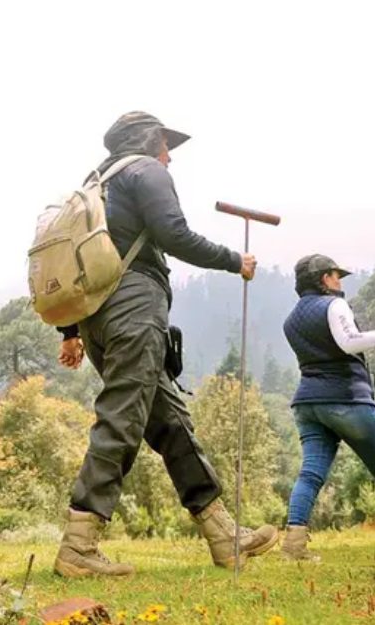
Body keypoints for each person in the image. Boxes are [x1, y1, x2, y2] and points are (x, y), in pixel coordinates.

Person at [53, 111, 278, 577]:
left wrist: (71, 332)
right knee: (121, 418)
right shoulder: (145, 171)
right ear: (148, 140)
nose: (169, 156)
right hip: (134, 310)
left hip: (96, 317)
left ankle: (223, 535)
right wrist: (235, 260)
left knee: (171, 423)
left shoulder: (95, 183)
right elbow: (174, 234)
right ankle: (78, 546)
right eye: (165, 145)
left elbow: (74, 261)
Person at [279, 254, 375, 561]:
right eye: (336, 275)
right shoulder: (334, 304)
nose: (339, 282)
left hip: (308, 405)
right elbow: (349, 342)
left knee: (310, 474)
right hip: (345, 399)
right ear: (324, 278)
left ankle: (293, 546)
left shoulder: (290, 321)